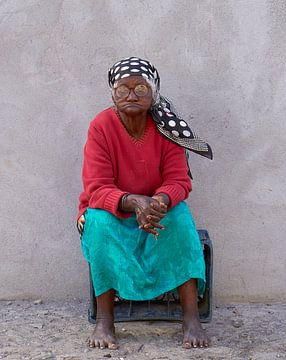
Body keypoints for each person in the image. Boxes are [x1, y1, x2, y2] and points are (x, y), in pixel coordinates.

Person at [77, 57, 213, 350]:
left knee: (180, 217)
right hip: (115, 211)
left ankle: (191, 318)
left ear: (154, 93)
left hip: (156, 210)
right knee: (97, 223)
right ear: (113, 95)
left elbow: (179, 180)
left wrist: (158, 202)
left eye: (140, 89)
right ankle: (104, 320)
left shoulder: (166, 127)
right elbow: (96, 188)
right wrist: (133, 202)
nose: (131, 95)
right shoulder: (101, 126)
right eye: (122, 89)